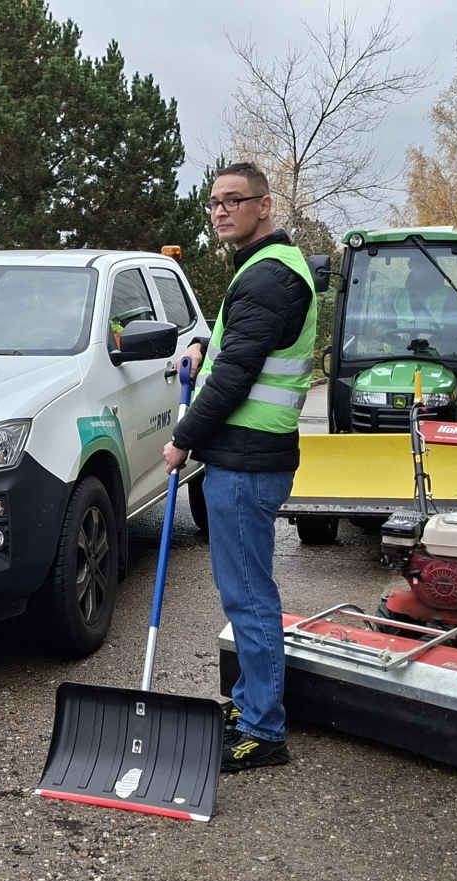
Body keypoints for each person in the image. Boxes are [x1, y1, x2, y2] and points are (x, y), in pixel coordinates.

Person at [163, 162, 316, 772]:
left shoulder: (266, 278)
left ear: (265, 206)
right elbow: (235, 347)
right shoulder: (264, 270)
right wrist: (203, 344)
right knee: (246, 593)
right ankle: (254, 702)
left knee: (249, 597)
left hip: (247, 459)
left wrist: (183, 439)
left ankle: (263, 729)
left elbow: (236, 375)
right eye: (213, 203)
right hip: (251, 454)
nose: (221, 211)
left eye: (234, 200)